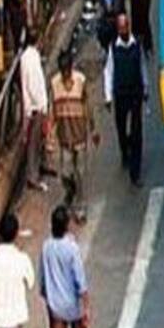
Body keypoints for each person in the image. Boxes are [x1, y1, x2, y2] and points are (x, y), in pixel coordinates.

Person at [39, 205, 90, 328]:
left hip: (55, 307)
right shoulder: (71, 248)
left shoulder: (46, 247)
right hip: (73, 303)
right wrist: (86, 303)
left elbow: (43, 277)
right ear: (66, 226)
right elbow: (80, 278)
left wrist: (45, 294)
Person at [103, 12, 148, 186]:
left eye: (125, 26)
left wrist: (146, 88)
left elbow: (142, 66)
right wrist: (108, 97)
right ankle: (125, 151)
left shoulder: (137, 44)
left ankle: (135, 173)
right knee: (121, 127)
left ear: (129, 27)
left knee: (137, 132)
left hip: (135, 93)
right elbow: (108, 72)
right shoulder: (113, 48)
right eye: (120, 27)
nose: (123, 30)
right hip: (120, 94)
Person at [49, 49, 96, 218]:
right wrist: (50, 134)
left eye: (67, 71)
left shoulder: (80, 81)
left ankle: (80, 206)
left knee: (80, 173)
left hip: (80, 134)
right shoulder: (54, 84)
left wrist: (93, 128)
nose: (66, 75)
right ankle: (70, 191)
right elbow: (53, 109)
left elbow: (87, 106)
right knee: (65, 172)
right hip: (64, 137)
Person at [17, 30, 50, 188]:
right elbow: (34, 84)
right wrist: (41, 106)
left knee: (36, 142)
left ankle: (37, 170)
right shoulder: (31, 59)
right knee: (33, 144)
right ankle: (33, 177)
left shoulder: (28, 57)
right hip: (35, 107)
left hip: (33, 106)